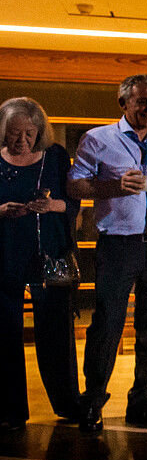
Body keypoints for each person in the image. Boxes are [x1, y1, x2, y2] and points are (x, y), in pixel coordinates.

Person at [67, 73, 147, 433]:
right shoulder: (97, 140)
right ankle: (92, 403)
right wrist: (113, 186)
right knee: (107, 326)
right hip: (119, 246)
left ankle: (143, 402)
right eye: (141, 102)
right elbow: (74, 185)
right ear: (124, 103)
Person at [0, 97, 81, 431]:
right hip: (6, 254)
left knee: (56, 331)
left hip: (49, 254)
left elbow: (73, 201)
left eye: (29, 133)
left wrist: (51, 207)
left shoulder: (56, 157)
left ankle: (68, 404)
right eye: (15, 133)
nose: (22, 141)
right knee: (5, 332)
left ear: (40, 131)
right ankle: (10, 411)